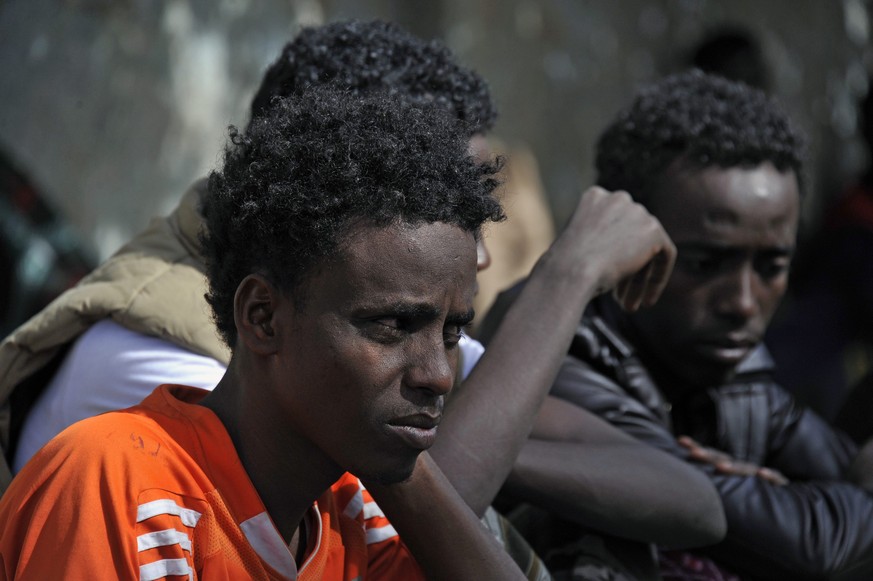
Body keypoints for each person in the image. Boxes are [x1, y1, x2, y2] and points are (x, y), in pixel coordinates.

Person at [0, 19, 723, 566]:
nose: (438, 372)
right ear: (259, 315)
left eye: (448, 332)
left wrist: (409, 449)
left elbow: (695, 502)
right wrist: (562, 280)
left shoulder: (348, 500)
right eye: (391, 326)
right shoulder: (126, 452)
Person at [483, 70, 873, 580]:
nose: (742, 301)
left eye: (772, 267)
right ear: (630, 240)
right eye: (704, 264)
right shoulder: (557, 349)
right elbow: (810, 546)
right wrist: (800, 500)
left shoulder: (729, 364)